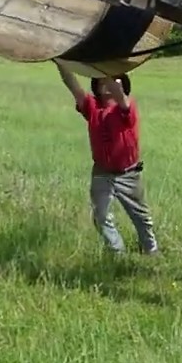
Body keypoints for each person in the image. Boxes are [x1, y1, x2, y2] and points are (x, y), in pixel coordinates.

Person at [54, 60, 159, 255]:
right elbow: (72, 84)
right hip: (102, 172)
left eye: (114, 81)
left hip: (129, 173)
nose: (109, 84)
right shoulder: (92, 108)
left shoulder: (126, 108)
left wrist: (105, 66)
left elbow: (119, 94)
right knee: (101, 216)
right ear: (97, 87)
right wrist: (60, 62)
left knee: (141, 217)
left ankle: (151, 251)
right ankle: (117, 252)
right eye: (102, 82)